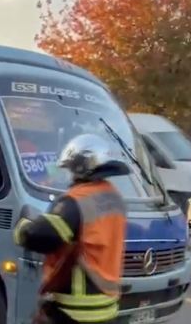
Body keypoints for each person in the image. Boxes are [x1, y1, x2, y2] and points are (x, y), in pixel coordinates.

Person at [13, 134, 129, 324]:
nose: (69, 175)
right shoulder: (114, 197)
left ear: (80, 167)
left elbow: (40, 235)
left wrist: (22, 227)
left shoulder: (77, 200)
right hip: (108, 307)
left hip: (75, 309)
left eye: (69, 169)